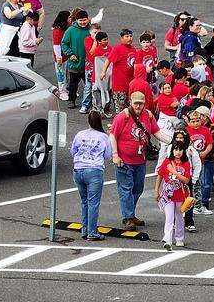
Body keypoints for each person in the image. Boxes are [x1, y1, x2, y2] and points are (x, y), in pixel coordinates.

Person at [110, 91, 172, 229]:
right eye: (136, 103)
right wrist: (115, 155)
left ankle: (130, 214)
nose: (138, 106)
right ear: (130, 101)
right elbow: (112, 135)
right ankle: (128, 217)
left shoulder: (148, 115)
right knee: (126, 189)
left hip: (140, 160)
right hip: (124, 161)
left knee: (138, 189)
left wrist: (173, 142)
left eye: (141, 103)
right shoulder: (122, 116)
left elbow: (157, 132)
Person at [71, 111, 110, 241]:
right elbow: (107, 155)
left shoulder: (80, 134)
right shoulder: (104, 137)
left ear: (88, 121)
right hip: (94, 171)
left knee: (84, 201)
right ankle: (92, 232)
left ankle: (85, 229)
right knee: (93, 202)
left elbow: (73, 151)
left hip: (78, 169)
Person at [156, 141, 192, 250]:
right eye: (176, 149)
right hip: (168, 195)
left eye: (180, 150)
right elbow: (160, 176)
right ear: (172, 150)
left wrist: (174, 172)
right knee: (169, 216)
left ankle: (179, 238)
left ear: (183, 151)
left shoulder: (186, 163)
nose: (178, 152)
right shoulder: (166, 161)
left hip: (181, 195)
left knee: (179, 216)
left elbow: (186, 180)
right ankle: (168, 239)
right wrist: (156, 191)